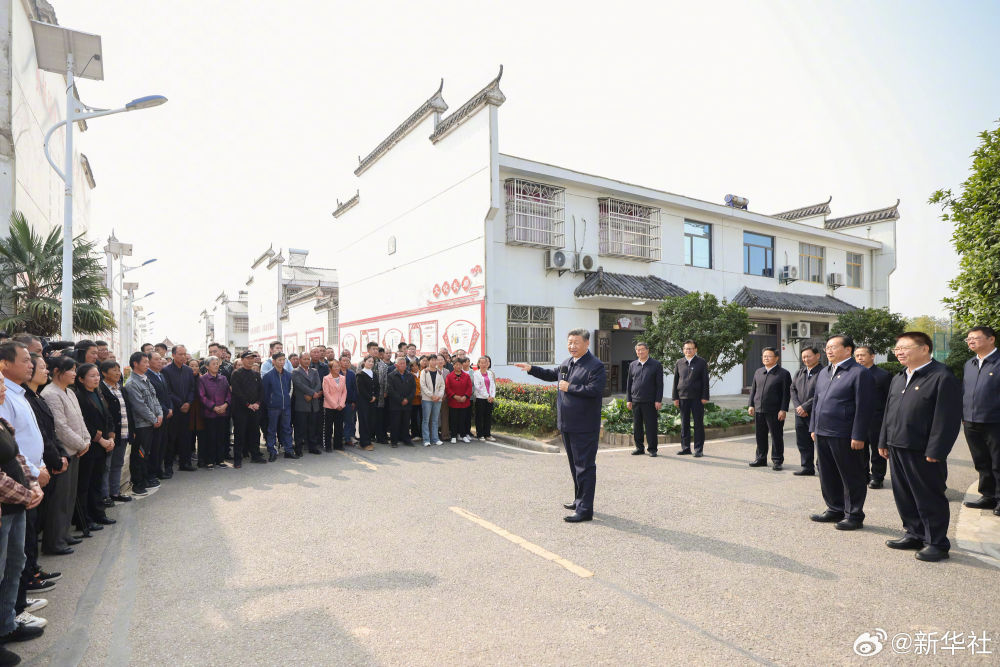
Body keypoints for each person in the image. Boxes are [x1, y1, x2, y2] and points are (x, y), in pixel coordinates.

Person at [879, 332, 962, 562]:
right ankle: (914, 533)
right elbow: (888, 411)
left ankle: (936, 543)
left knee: (928, 496)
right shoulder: (899, 377)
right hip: (897, 444)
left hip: (923, 450)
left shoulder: (941, 376)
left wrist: (937, 450)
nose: (899, 352)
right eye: (897, 349)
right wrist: (883, 440)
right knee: (904, 494)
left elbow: (947, 419)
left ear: (924, 349)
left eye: (904, 348)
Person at [516, 329, 607, 523]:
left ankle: (585, 510)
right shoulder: (567, 363)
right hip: (567, 424)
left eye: (576, 342)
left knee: (585, 467)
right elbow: (552, 375)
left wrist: (570, 387)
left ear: (586, 343)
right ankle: (579, 500)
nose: (572, 346)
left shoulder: (595, 366)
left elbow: (595, 390)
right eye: (570, 342)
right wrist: (531, 368)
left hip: (584, 425)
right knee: (575, 466)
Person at [808, 335, 875, 531]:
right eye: (827, 347)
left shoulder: (859, 373)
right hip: (822, 431)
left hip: (845, 433)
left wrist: (859, 435)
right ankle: (834, 508)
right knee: (827, 473)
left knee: (851, 475)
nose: (829, 350)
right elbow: (816, 401)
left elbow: (865, 406)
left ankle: (853, 514)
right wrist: (813, 427)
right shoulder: (824, 372)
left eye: (834, 347)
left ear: (848, 350)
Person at [0, 378, 46, 656]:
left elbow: (17, 457)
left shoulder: (2, 423)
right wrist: (26, 494)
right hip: (6, 508)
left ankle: (7, 624)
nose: (3, 388)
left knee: (14, 565)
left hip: (16, 508)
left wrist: (33, 484)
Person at [40, 357, 88, 549]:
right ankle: (55, 540)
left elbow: (80, 419)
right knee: (59, 499)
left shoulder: (70, 392)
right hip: (65, 451)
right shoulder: (51, 393)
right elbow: (60, 427)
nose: (75, 374)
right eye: (71, 370)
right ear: (57, 371)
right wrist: (80, 444)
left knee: (69, 496)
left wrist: (86, 440)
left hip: (77, 449)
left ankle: (64, 533)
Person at [961, 326, 1000, 515]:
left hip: (995, 421)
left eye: (975, 338)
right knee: (981, 461)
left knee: (998, 462)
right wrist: (963, 416)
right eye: (968, 339)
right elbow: (965, 391)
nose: (970, 341)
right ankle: (988, 496)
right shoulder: (969, 364)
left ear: (991, 339)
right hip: (971, 421)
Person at [72, 363, 116, 532]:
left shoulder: (99, 393)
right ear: (81, 379)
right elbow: (83, 423)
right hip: (89, 445)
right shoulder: (79, 397)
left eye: (97, 375)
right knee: (85, 484)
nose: (96, 378)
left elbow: (108, 416)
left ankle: (99, 513)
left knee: (97, 481)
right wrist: (101, 439)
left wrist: (111, 437)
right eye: (92, 376)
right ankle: (85, 519)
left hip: (103, 445)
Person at [124, 352, 163, 497]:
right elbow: (139, 406)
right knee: (139, 455)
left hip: (151, 423)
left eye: (148, 362)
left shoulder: (146, 379)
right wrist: (154, 419)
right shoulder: (132, 383)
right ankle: (138, 484)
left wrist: (160, 415)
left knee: (146, 454)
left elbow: (155, 399)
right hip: (141, 425)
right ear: (135, 364)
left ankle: (145, 479)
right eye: (145, 362)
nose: (148, 365)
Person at [854, 345, 892, 488]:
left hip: (876, 419)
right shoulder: (853, 373)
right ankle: (863, 475)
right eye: (857, 356)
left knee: (877, 450)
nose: (859, 358)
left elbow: (889, 400)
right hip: (857, 419)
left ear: (872, 356)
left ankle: (877, 477)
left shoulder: (883, 375)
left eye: (862, 355)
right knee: (859, 450)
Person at [747, 348, 791, 470]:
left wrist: (783, 409)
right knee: (760, 436)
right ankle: (761, 459)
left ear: (776, 358)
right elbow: (753, 390)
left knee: (776, 436)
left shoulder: (783, 373)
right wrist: (751, 405)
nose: (766, 358)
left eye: (769, 356)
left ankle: (777, 461)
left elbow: (786, 394)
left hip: (775, 411)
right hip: (759, 409)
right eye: (764, 356)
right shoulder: (758, 372)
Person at [98, 361, 133, 504]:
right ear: (104, 373)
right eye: (114, 370)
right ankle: (104, 495)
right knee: (106, 466)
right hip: (110, 435)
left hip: (123, 432)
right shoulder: (101, 390)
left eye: (119, 370)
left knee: (118, 463)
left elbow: (128, 410)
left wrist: (131, 430)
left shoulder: (121, 389)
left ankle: (115, 492)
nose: (118, 373)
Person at [670, 340, 708, 457]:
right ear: (683, 350)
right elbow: (676, 380)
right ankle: (685, 448)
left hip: (697, 398)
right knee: (684, 423)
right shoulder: (679, 362)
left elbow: (705, 380)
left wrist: (705, 396)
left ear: (695, 349)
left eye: (691, 348)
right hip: (682, 397)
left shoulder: (701, 362)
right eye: (686, 348)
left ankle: (698, 449)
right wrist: (675, 397)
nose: (688, 351)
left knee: (698, 424)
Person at [162, 345, 196, 474]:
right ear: (173, 355)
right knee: (171, 438)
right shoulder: (166, 371)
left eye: (184, 354)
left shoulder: (188, 370)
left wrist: (188, 403)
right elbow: (168, 391)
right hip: (174, 409)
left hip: (187, 409)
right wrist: (181, 403)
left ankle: (185, 463)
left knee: (185, 437)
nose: (183, 357)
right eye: (180, 354)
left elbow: (192, 389)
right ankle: (168, 466)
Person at [627, 342, 664, 457]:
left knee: (651, 426)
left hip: (650, 401)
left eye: (642, 349)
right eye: (638, 350)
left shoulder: (656, 365)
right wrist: (629, 399)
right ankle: (639, 448)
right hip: (636, 400)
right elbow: (629, 384)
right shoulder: (633, 365)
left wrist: (658, 400)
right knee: (637, 426)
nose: (640, 352)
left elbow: (659, 385)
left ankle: (652, 449)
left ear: (647, 350)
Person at [790, 346, 822, 476]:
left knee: (819, 442)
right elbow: (792, 389)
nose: (806, 359)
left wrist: (805, 407)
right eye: (803, 357)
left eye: (808, 356)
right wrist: (798, 406)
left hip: (816, 413)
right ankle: (807, 467)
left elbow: (821, 393)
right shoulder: (800, 372)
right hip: (800, 414)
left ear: (817, 356)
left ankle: (822, 468)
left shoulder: (824, 372)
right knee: (803, 441)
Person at [231, 351, 265, 465]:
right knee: (240, 434)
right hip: (241, 409)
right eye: (248, 358)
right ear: (242, 359)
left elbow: (261, 391)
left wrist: (257, 403)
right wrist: (248, 404)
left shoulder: (256, 374)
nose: (251, 360)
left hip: (255, 409)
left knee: (255, 433)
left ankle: (255, 455)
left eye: (252, 358)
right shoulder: (236, 374)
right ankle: (237, 459)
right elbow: (237, 392)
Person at [198, 357, 232, 468]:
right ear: (207, 366)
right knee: (210, 437)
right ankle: (209, 460)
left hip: (223, 412)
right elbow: (202, 396)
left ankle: (220, 459)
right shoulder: (202, 379)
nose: (216, 365)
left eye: (217, 363)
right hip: (209, 413)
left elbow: (228, 394)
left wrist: (225, 405)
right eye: (213, 364)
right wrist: (213, 407)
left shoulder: (223, 378)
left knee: (221, 437)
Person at [145, 353, 173, 487]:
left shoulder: (161, 375)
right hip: (157, 416)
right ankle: (151, 473)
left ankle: (158, 470)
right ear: (149, 362)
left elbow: (167, 394)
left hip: (166, 414)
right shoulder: (147, 376)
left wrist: (170, 408)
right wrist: (165, 410)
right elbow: (154, 398)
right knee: (155, 447)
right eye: (156, 359)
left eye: (160, 359)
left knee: (162, 445)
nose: (160, 362)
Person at [262, 353, 295, 460]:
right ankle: (272, 451)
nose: (282, 362)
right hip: (273, 407)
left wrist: (287, 400)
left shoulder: (288, 375)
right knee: (272, 429)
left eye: (283, 360)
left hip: (286, 406)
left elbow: (290, 388)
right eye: (279, 360)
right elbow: (265, 393)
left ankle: (288, 450)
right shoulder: (268, 376)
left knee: (287, 429)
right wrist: (271, 402)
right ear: (274, 361)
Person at [291, 354, 323, 456]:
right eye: (304, 359)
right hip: (302, 402)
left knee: (312, 427)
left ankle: (312, 447)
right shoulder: (295, 372)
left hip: (313, 403)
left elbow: (318, 384)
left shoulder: (314, 371)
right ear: (300, 360)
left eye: (308, 359)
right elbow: (299, 385)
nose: (306, 361)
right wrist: (313, 393)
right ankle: (298, 448)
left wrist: (312, 394)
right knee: (300, 428)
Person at [386, 357, 415, 447]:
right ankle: (394, 441)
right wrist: (401, 400)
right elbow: (391, 390)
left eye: (404, 363)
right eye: (401, 363)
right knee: (395, 423)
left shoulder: (410, 375)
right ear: (396, 365)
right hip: (396, 404)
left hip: (407, 403)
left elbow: (413, 389)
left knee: (406, 423)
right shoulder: (391, 376)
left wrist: (407, 399)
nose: (403, 365)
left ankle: (406, 439)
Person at [445, 359, 473, 444]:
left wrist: (465, 396)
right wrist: (454, 396)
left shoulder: (466, 376)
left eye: (460, 364)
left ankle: (463, 435)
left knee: (463, 419)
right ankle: (453, 436)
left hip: (464, 401)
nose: (458, 366)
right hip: (454, 401)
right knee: (453, 419)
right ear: (453, 366)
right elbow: (447, 388)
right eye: (456, 364)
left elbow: (469, 387)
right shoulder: (449, 376)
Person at [420, 356, 445, 446]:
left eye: (435, 360)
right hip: (427, 399)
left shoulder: (439, 372)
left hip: (438, 399)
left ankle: (435, 439)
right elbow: (423, 385)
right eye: (432, 360)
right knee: (426, 420)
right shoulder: (424, 372)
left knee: (435, 419)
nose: (434, 362)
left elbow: (442, 386)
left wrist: (439, 396)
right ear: (428, 361)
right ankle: (426, 440)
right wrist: (431, 395)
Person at [322, 361, 347, 451]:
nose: (337, 368)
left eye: (338, 366)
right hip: (330, 406)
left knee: (339, 426)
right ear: (330, 369)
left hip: (341, 406)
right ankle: (328, 446)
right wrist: (335, 405)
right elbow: (326, 393)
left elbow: (344, 391)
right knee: (328, 427)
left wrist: (341, 404)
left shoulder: (343, 378)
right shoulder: (326, 378)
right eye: (334, 367)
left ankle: (338, 445)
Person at [355, 356, 377, 451]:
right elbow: (361, 389)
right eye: (369, 361)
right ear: (364, 362)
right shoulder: (360, 374)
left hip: (372, 402)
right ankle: (364, 443)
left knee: (370, 421)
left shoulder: (374, 374)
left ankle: (368, 440)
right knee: (364, 422)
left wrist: (375, 396)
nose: (371, 363)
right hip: (363, 402)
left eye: (372, 362)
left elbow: (377, 386)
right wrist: (369, 397)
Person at [472, 356, 496, 441]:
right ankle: (480, 434)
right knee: (480, 417)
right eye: (481, 363)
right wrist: (487, 396)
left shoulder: (490, 373)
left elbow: (493, 385)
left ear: (487, 364)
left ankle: (487, 434)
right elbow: (478, 387)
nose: (483, 364)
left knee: (488, 417)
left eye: (485, 363)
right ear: (478, 364)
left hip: (490, 398)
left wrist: (492, 396)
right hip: (480, 398)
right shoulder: (476, 373)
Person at [340, 355, 358, 447]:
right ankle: (339, 438)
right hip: (338, 402)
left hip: (349, 401)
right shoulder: (336, 372)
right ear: (340, 362)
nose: (346, 362)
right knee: (339, 421)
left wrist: (354, 401)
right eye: (344, 361)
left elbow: (355, 388)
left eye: (347, 361)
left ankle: (347, 438)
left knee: (349, 421)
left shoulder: (351, 374)